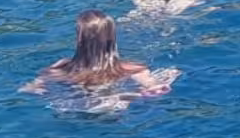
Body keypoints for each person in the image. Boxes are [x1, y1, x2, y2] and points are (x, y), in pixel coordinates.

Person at [25, 10, 178, 95]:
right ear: (112, 38)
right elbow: (152, 86)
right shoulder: (131, 70)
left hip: (74, 105)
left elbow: (30, 88)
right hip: (114, 111)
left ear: (79, 38)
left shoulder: (61, 67)